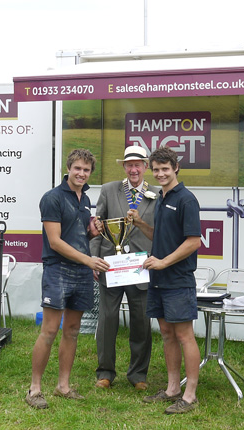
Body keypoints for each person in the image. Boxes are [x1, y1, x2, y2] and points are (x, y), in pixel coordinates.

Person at [26, 149, 110, 409]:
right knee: (50, 331)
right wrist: (89, 260)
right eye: (78, 168)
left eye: (86, 170)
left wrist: (91, 233)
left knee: (72, 331)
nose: (81, 174)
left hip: (81, 272)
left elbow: (77, 235)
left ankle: (63, 386)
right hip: (58, 269)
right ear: (68, 168)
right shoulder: (52, 197)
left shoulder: (86, 199)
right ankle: (34, 389)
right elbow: (55, 241)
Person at [137, 146, 202, 414]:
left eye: (165, 169)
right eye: (156, 169)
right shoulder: (160, 198)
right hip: (158, 279)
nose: (160, 173)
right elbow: (161, 236)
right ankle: (173, 388)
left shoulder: (186, 199)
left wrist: (164, 262)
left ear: (176, 168)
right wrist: (140, 224)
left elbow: (193, 241)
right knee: (166, 334)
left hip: (178, 279)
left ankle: (190, 395)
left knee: (184, 335)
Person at [90, 145, 160, 391]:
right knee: (107, 319)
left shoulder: (157, 193)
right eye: (129, 165)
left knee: (141, 321)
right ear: (124, 167)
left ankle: (138, 374)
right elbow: (97, 227)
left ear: (145, 167)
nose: (133, 169)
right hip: (111, 264)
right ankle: (105, 372)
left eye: (137, 165)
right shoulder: (109, 190)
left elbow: (160, 232)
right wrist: (94, 257)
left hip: (141, 267)